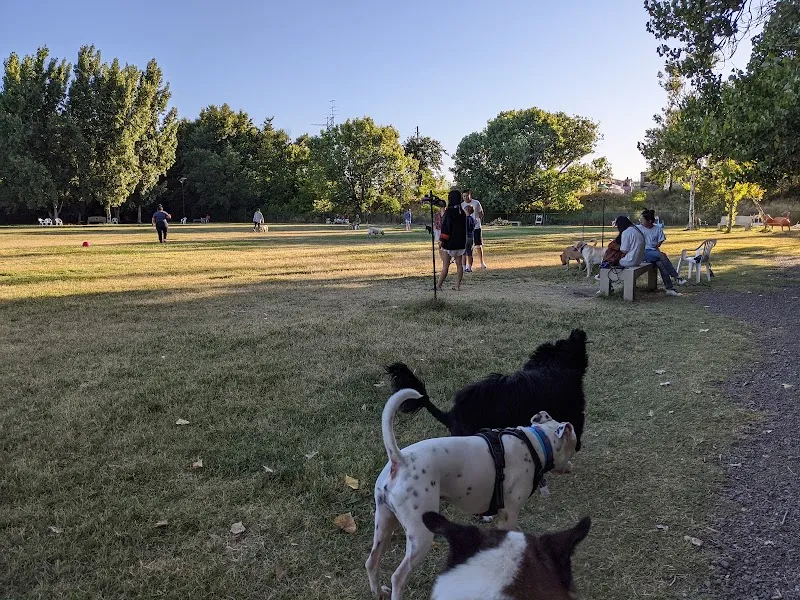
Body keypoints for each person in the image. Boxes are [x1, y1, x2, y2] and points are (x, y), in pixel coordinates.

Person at [637, 208, 686, 296]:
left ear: (650, 221)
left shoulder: (657, 229)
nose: (640, 221)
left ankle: (669, 289)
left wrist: (656, 245)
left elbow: (660, 241)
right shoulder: (638, 228)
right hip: (643, 253)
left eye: (642, 219)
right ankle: (676, 277)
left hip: (653, 253)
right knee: (662, 255)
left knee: (661, 264)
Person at [437, 190, 467, 291]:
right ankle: (458, 286)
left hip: (449, 243)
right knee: (459, 265)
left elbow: (446, 228)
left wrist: (442, 240)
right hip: (460, 243)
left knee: (445, 266)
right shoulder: (462, 212)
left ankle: (439, 285)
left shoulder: (449, 212)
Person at [461, 189, 486, 268]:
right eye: (464, 196)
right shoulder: (462, 205)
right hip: (467, 229)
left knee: (478, 244)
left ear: (470, 195)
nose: (465, 198)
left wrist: (477, 220)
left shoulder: (476, 203)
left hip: (476, 227)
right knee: (466, 247)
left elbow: (481, 213)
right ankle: (466, 266)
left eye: (466, 196)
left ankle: (482, 262)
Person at [464, 205, 476, 272]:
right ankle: (470, 267)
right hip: (471, 237)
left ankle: (463, 267)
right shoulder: (472, 219)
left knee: (463, 253)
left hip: (465, 237)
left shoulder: (465, 219)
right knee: (470, 253)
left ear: (467, 211)